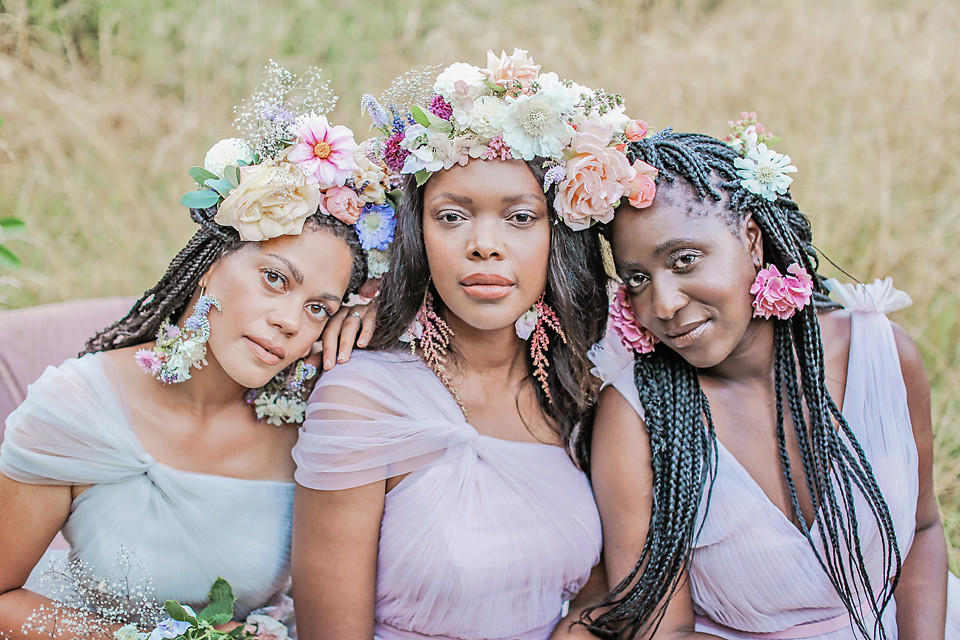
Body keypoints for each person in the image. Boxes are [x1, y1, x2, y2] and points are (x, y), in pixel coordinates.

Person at [0, 64, 388, 639]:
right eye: (276, 279)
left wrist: (381, 317)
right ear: (208, 270)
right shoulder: (76, 405)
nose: (288, 320)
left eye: (318, 308)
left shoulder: (317, 424)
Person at [291, 50, 653, 640]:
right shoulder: (360, 398)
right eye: (453, 216)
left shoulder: (582, 384)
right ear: (418, 236)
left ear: (558, 235)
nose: (484, 245)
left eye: (519, 217)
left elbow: (598, 577)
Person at [584, 123, 960, 639]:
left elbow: (921, 528)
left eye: (685, 259)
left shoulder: (883, 354)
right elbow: (662, 631)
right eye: (638, 279)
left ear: (751, 239)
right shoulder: (636, 419)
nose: (663, 304)